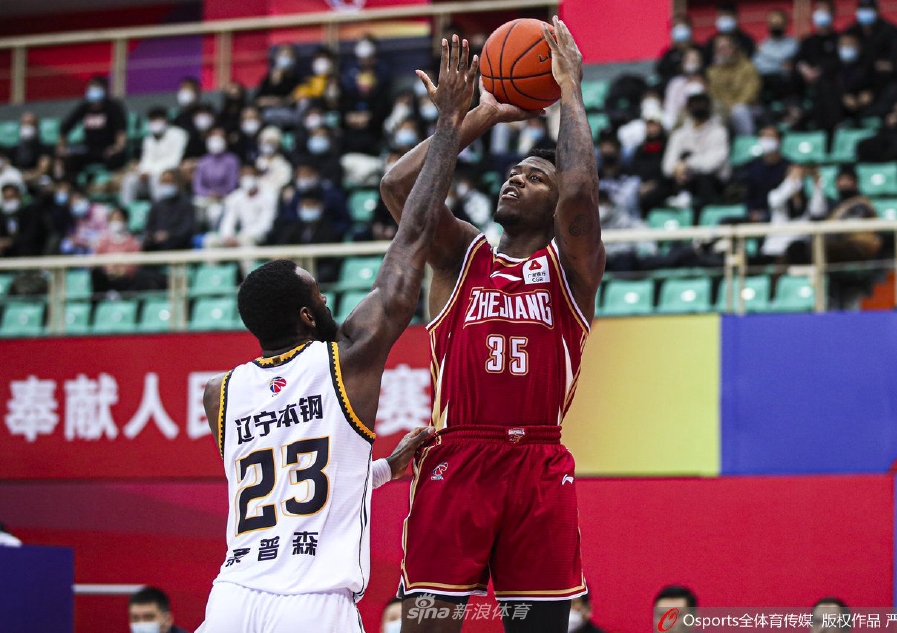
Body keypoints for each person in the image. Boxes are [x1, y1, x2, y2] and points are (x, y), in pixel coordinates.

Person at [194, 34, 479, 632]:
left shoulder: (219, 392)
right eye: (319, 295)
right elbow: (413, 236)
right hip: (312, 603)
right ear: (306, 316)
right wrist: (450, 123)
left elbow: (293, 480)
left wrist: (384, 469)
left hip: (232, 597)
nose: (327, 301)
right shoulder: (346, 359)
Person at [381, 17, 604, 633]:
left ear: (554, 206)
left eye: (535, 177)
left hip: (538, 463)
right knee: (428, 623)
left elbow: (581, 193)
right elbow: (398, 189)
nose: (515, 178)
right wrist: (473, 117)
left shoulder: (572, 270)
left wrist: (569, 90)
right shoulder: (463, 257)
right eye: (514, 173)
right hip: (457, 457)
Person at [662, 92, 730, 217]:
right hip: (684, 180)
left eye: (701, 104)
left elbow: (712, 164)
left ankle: (703, 216)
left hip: (714, 183)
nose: (698, 107)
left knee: (703, 178)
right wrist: (678, 168)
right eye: (694, 104)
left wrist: (687, 164)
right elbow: (667, 166)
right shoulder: (679, 134)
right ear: (688, 108)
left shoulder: (719, 132)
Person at [58, 76, 128, 176]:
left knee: (117, 158)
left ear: (105, 89)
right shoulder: (84, 107)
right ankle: (72, 184)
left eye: (96, 87)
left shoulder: (114, 107)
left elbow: (121, 131)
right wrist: (61, 146)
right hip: (88, 149)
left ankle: (107, 182)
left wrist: (117, 147)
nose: (93, 91)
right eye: (91, 88)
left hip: (107, 149)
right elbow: (65, 127)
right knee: (69, 159)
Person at [121, 107, 188, 204]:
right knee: (129, 179)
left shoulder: (178, 134)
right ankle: (126, 208)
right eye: (153, 120)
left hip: (170, 173)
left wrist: (151, 172)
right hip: (149, 175)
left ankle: (159, 208)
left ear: (166, 121)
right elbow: (146, 159)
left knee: (156, 179)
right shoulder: (148, 139)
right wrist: (143, 171)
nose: (155, 123)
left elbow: (174, 160)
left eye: (158, 119)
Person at [845, 0, 897, 90]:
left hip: (884, 77)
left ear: (877, 10)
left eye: (869, 9)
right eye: (863, 9)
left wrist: (891, 64)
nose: (865, 12)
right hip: (858, 75)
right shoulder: (851, 31)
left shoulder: (890, 30)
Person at [706, 34, 761, 136]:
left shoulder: (747, 67)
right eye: (720, 49)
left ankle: (746, 141)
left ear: (734, 48)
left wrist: (734, 106)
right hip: (723, 108)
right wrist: (727, 107)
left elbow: (752, 90)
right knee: (714, 113)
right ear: (716, 52)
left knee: (739, 110)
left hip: (748, 106)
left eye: (727, 47)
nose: (724, 51)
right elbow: (713, 94)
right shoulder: (712, 72)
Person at [741, 125, 791, 221]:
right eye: (763, 136)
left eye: (770, 137)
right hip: (755, 213)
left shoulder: (788, 167)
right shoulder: (752, 167)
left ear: (779, 140)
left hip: (779, 213)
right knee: (726, 221)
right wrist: (752, 212)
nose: (766, 140)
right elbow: (748, 195)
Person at [141, 169, 196, 252]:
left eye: (169, 182)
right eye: (163, 182)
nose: (166, 185)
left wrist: (169, 235)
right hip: (157, 246)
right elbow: (148, 228)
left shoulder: (186, 204)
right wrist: (153, 236)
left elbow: (187, 228)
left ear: (177, 183)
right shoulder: (157, 205)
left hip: (179, 246)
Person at [753, 9, 798, 101]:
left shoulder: (793, 44)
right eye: (773, 23)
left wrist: (766, 56)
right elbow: (758, 66)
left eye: (778, 23)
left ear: (786, 24)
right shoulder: (762, 45)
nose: (776, 26)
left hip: (786, 83)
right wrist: (780, 64)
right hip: (765, 82)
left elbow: (787, 61)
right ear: (768, 24)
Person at [7, 111, 53, 191]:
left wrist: (29, 177)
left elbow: (43, 169)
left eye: (31, 124)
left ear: (37, 126)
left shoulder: (45, 148)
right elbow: (8, 166)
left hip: (36, 181)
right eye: (25, 124)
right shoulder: (13, 150)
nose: (27, 127)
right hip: (17, 180)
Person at [655, 14, 699, 91]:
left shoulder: (700, 50)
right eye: (675, 27)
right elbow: (663, 75)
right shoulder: (668, 55)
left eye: (682, 27)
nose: (679, 30)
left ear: (690, 28)